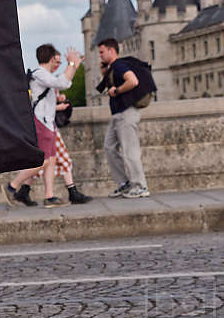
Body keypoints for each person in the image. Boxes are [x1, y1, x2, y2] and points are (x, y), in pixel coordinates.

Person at [8, 50, 92, 206]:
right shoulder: (40, 73)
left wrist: (74, 64)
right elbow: (62, 83)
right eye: (57, 61)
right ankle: (12, 186)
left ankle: (49, 196)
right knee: (44, 162)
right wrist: (72, 64)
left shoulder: (43, 74)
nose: (58, 64)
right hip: (42, 122)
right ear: (52, 58)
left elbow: (65, 83)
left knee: (51, 160)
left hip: (47, 123)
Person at [97, 37, 150, 198]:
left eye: (102, 52)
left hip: (126, 113)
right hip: (118, 114)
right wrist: (104, 73)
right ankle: (124, 183)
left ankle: (140, 186)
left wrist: (118, 91)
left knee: (130, 151)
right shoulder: (113, 68)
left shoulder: (119, 65)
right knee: (109, 147)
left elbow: (132, 81)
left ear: (111, 51)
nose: (100, 55)